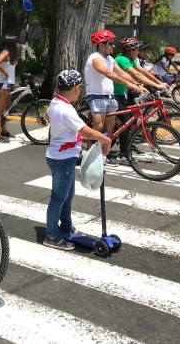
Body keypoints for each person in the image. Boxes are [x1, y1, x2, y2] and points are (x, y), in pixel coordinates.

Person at [43, 70, 111, 250]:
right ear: (75, 88)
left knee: (67, 195)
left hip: (61, 156)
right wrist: (105, 139)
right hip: (62, 159)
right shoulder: (66, 110)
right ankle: (51, 235)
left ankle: (66, 227)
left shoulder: (56, 102)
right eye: (80, 87)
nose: (80, 90)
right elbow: (86, 131)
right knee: (59, 198)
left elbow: (47, 116)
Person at [83, 30, 144, 148]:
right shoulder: (95, 58)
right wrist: (128, 84)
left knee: (109, 129)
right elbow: (108, 73)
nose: (113, 46)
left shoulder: (110, 59)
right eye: (110, 43)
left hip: (110, 97)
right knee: (98, 127)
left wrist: (138, 84)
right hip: (96, 96)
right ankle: (88, 155)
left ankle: (103, 155)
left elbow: (121, 73)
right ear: (101, 45)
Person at [113, 37, 167, 162]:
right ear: (131, 50)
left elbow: (142, 71)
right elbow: (136, 75)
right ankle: (123, 154)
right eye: (137, 49)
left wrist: (159, 82)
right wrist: (155, 85)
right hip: (113, 94)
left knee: (131, 120)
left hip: (121, 94)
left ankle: (128, 145)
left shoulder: (130, 59)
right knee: (127, 122)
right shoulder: (121, 59)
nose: (138, 52)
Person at [0, 36, 19, 142]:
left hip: (9, 84)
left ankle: (4, 131)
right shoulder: (6, 52)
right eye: (16, 42)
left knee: (5, 111)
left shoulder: (10, 53)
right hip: (4, 85)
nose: (18, 44)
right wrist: (5, 73)